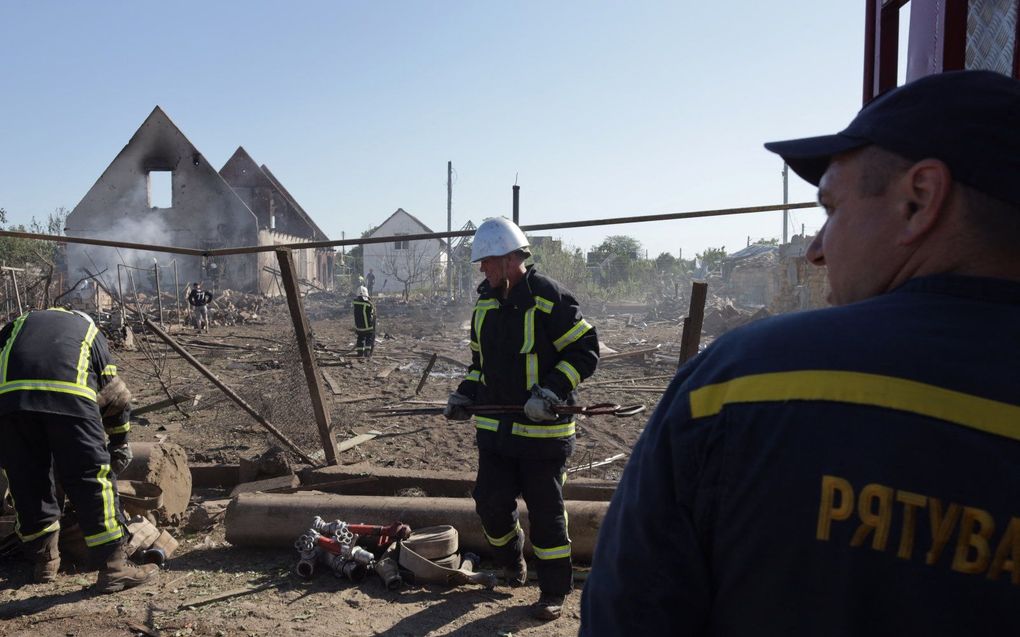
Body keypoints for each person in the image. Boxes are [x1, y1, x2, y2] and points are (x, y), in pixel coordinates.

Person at [579, 70, 1020, 635]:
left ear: (919, 200)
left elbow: (628, 615)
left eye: (831, 209)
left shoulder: (742, 383)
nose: (814, 250)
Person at [444, 217, 599, 621]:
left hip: (544, 436)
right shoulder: (484, 305)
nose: (483, 270)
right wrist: (465, 395)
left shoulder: (549, 298)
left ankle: (553, 590)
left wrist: (550, 392)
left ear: (512, 259)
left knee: (547, 514)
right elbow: (481, 366)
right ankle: (512, 564)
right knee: (490, 504)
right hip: (496, 433)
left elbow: (584, 351)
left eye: (488, 262)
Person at [0, 308, 158, 592]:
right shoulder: (89, 331)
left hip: (11, 403)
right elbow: (116, 395)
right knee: (90, 476)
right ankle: (114, 567)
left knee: (27, 479)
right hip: (69, 398)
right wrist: (119, 441)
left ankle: (45, 562)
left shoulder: (16, 325)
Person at [352, 285, 376, 358]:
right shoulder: (368, 304)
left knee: (360, 338)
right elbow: (372, 313)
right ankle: (367, 352)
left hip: (358, 327)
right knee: (369, 338)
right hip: (368, 326)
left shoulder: (355, 303)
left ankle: (360, 352)